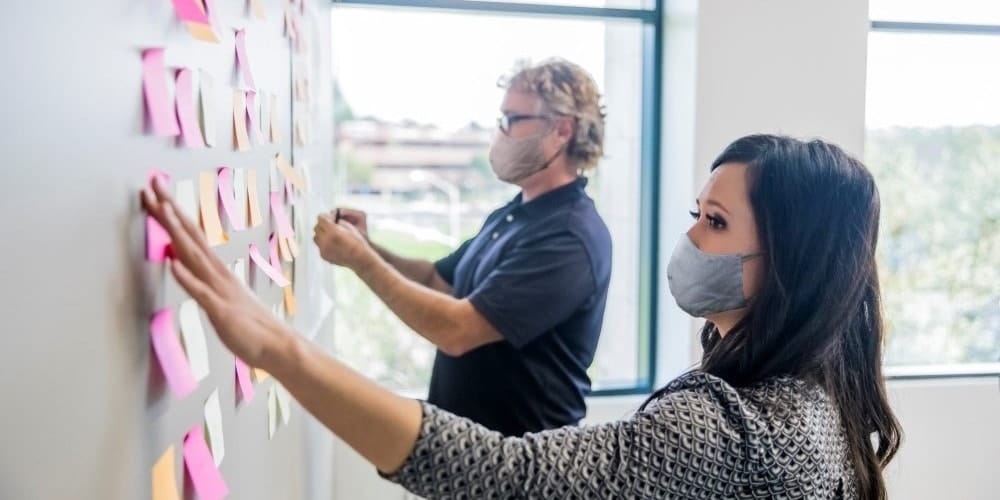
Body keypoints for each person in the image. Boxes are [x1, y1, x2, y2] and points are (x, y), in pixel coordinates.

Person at [141, 134, 902, 499]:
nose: (690, 239)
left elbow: (508, 465)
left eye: (716, 223)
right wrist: (370, 251)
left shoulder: (734, 428)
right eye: (694, 214)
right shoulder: (812, 393)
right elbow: (449, 276)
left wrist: (281, 348)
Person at [312, 59, 613, 436]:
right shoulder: (516, 214)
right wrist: (367, 247)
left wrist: (359, 261)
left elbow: (457, 330)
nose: (500, 132)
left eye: (512, 119)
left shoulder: (569, 236)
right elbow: (438, 281)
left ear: (562, 130)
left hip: (520, 466)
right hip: (469, 453)